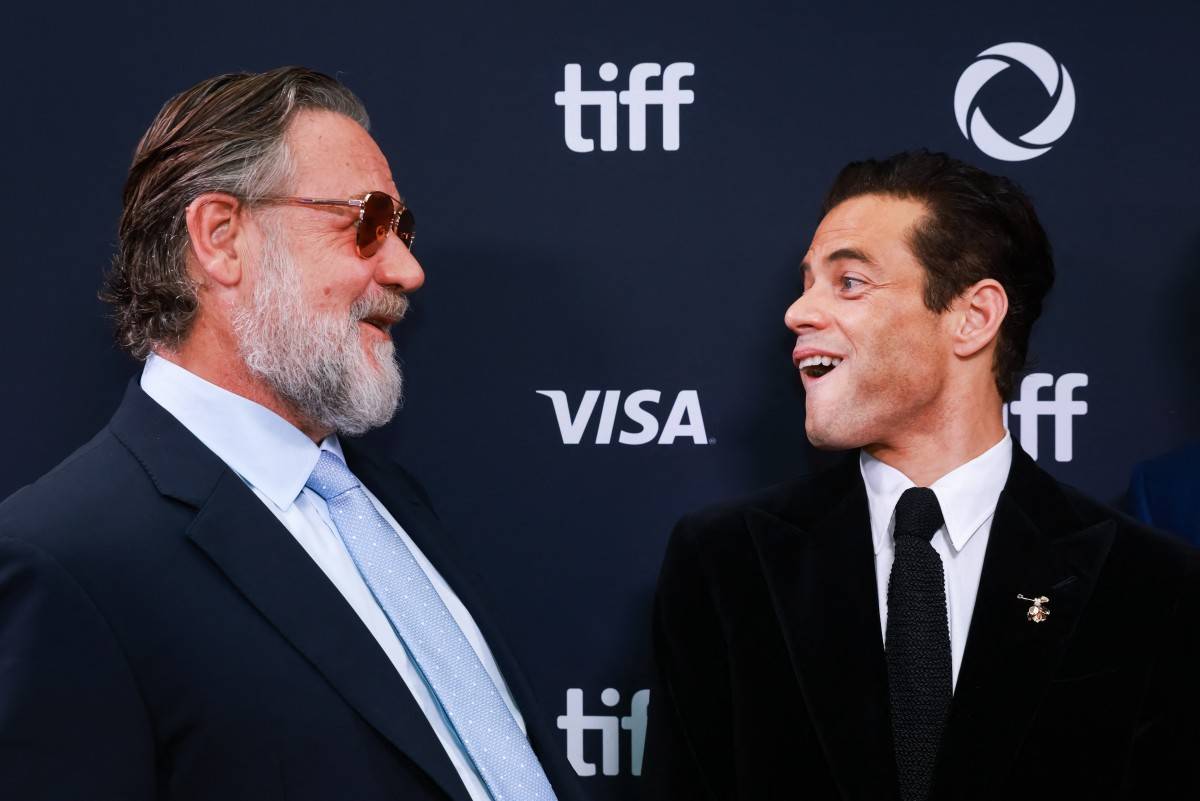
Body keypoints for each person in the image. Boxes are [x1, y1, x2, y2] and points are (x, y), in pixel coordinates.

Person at [0, 67, 576, 801]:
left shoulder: (384, 498)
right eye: (366, 221)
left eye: (402, 228)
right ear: (221, 237)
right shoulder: (62, 561)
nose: (407, 268)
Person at [650, 151, 1200, 800]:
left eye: (849, 282)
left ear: (974, 317)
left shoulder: (1148, 584)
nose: (799, 313)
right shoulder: (724, 564)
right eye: (806, 284)